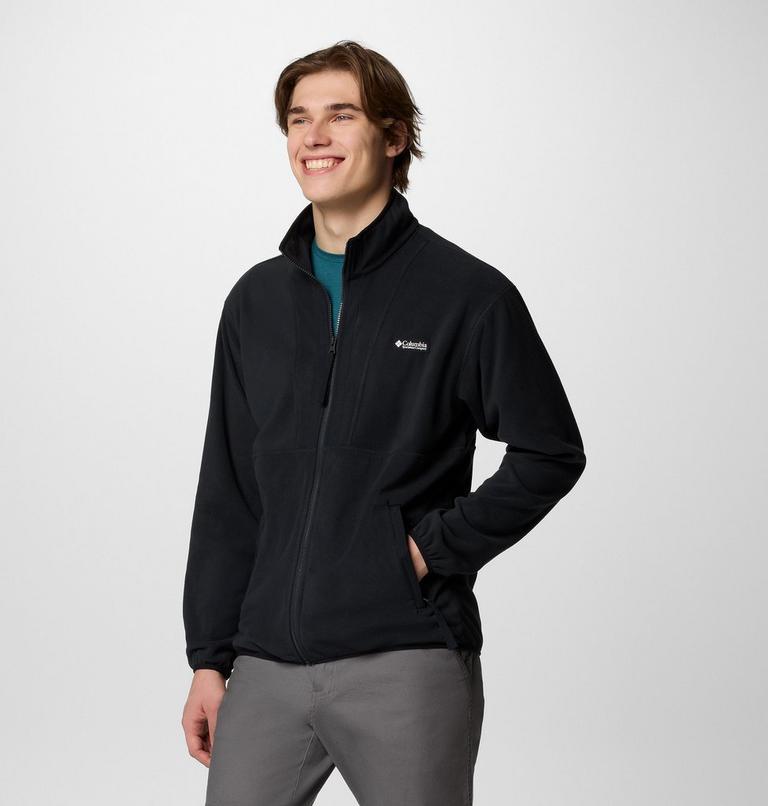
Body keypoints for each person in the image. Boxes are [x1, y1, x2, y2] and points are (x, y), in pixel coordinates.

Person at [181, 40, 586, 806]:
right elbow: (228, 490)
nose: (314, 136)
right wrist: (209, 657)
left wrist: (422, 553)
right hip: (264, 665)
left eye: (341, 115)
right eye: (298, 119)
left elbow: (549, 452)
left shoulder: (465, 295)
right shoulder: (256, 302)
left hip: (405, 657)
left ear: (394, 136)